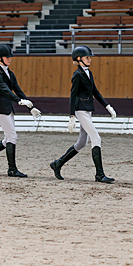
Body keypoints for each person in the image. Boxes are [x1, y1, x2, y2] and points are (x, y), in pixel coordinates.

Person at [50, 45, 117, 183]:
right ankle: (99, 174)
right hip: (80, 110)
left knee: (82, 142)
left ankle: (58, 163)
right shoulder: (77, 75)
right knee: (96, 138)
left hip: (88, 109)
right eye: (87, 57)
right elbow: (73, 95)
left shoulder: (89, 73)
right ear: (79, 59)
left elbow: (95, 92)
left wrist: (107, 106)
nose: (90, 59)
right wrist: (71, 116)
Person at [0, 44, 41, 178]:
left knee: (7, 139)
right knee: (12, 137)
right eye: (7, 57)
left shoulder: (10, 73)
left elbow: (17, 89)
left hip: (8, 109)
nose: (10, 59)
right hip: (0, 110)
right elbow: (5, 91)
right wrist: (18, 101)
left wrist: (30, 107)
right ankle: (12, 169)